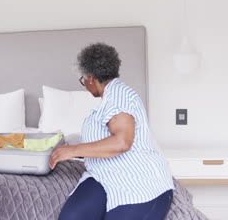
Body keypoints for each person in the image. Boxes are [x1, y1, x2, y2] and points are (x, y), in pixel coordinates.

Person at [50, 43, 174, 220]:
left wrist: (73, 150)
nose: (84, 84)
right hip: (103, 177)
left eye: (83, 79)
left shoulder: (119, 96)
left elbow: (121, 142)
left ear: (91, 78)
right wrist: (71, 146)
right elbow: (102, 140)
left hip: (139, 184)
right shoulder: (108, 99)